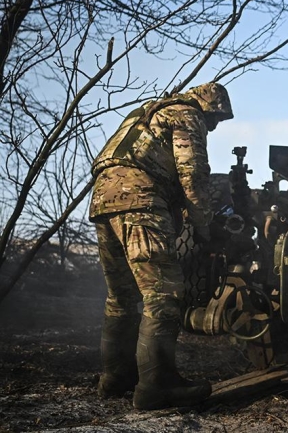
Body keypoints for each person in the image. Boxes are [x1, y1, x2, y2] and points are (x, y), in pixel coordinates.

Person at [89, 82, 233, 410]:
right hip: (140, 199)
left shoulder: (145, 114)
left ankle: (115, 378)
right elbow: (192, 176)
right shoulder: (186, 114)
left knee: (121, 297)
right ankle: (156, 386)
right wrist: (204, 227)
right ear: (208, 107)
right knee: (163, 295)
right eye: (216, 120)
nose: (213, 126)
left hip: (102, 200)